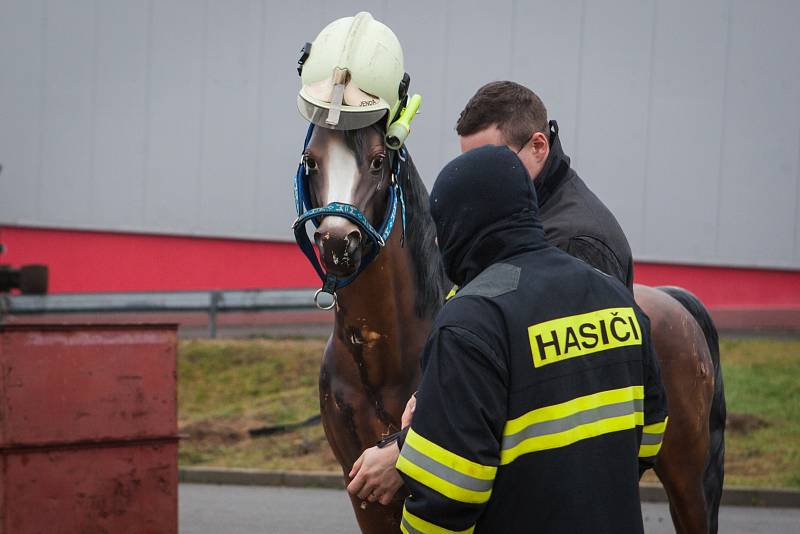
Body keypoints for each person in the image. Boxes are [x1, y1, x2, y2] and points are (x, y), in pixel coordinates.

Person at [347, 81, 640, 504]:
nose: (480, 179)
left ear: (539, 146)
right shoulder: (500, 232)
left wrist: (406, 451)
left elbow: (538, 389)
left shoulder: (577, 245)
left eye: (493, 160)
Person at [397, 145, 667, 532]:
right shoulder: (615, 295)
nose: (438, 243)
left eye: (441, 227)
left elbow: (446, 496)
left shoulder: (470, 321)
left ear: (463, 225)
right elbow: (652, 433)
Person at [458, 81, 634, 290]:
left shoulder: (577, 243)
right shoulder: (510, 213)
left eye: (491, 164)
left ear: (538, 147)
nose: (476, 181)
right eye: (470, 166)